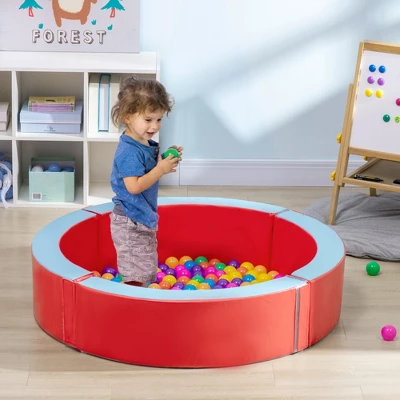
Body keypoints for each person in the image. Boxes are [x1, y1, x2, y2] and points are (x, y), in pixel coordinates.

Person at [109, 76, 183, 287]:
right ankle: (130, 302)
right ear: (128, 116)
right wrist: (160, 170)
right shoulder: (129, 151)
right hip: (130, 221)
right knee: (135, 275)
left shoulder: (143, 143)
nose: (155, 126)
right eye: (148, 120)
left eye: (159, 120)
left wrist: (165, 160)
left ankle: (141, 296)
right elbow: (134, 186)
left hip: (141, 216)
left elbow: (146, 171)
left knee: (146, 267)